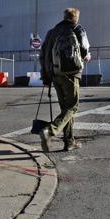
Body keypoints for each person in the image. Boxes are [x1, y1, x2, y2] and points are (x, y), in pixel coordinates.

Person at [39, 8, 91, 153]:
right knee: (73, 107)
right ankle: (50, 131)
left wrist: (45, 77)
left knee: (65, 109)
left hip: (55, 75)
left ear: (64, 17)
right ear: (76, 18)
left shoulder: (51, 32)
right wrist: (87, 56)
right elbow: (85, 50)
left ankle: (69, 142)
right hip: (71, 74)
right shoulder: (77, 28)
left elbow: (43, 55)